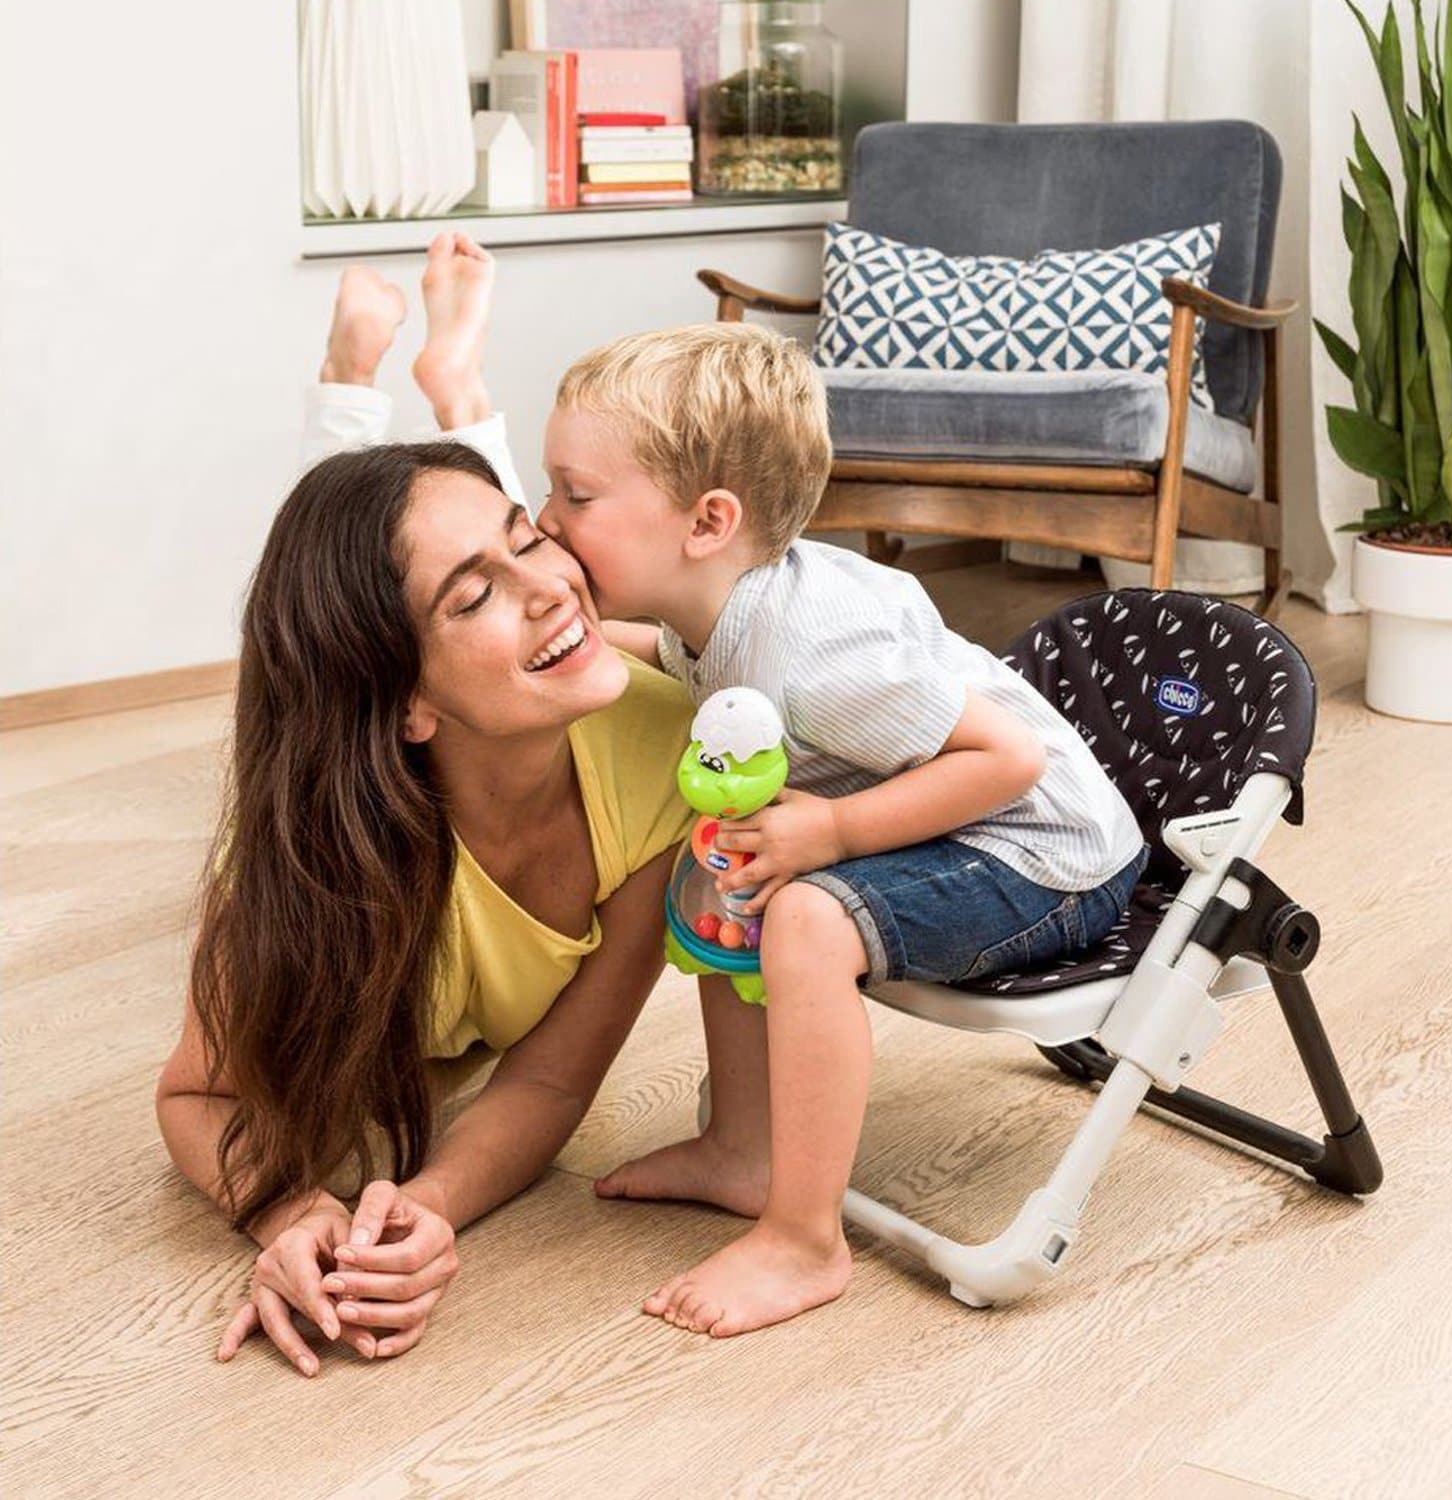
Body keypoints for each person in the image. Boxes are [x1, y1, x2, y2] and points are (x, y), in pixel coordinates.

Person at [156, 234, 705, 1376]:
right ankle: (348, 372)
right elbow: (199, 1093)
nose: (552, 586)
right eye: (477, 596)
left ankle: (424, 374)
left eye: (528, 540)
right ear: (405, 702)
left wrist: (429, 1209)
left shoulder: (667, 759)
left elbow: (554, 1075)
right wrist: (290, 1210)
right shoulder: (307, 849)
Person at [537, 323, 1148, 1337]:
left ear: (707, 521)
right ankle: (744, 1148)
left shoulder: (819, 647)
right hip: (963, 817)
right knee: (727, 873)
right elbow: (681, 655)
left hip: (1045, 851)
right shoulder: (718, 606)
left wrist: (832, 834)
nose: (546, 518)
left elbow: (1008, 762)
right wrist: (571, 631)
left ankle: (803, 1239)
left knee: (804, 919)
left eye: (577, 496)